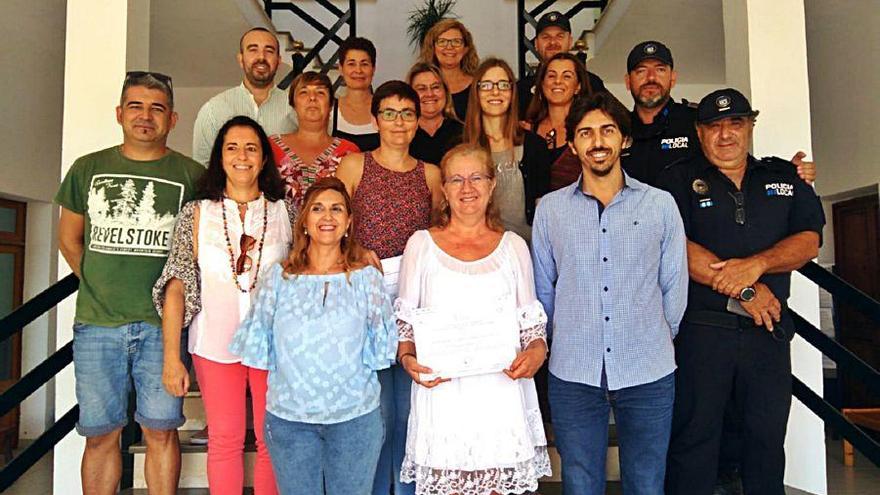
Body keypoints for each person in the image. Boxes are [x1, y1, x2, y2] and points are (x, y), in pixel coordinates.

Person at [658, 89, 825, 495]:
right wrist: (748, 291)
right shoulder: (675, 179)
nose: (725, 135)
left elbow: (809, 240)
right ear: (699, 133)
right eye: (714, 126)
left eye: (735, 123)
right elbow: (674, 246)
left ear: (750, 126)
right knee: (694, 442)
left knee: (766, 441)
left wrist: (759, 265)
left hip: (767, 334)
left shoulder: (784, 177)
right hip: (702, 332)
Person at [531, 92, 688, 495]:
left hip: (648, 368)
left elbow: (674, 287)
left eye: (607, 130)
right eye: (585, 133)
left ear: (625, 140)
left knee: (647, 482)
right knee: (581, 482)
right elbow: (543, 289)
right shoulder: (550, 210)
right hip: (573, 370)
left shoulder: (660, 205)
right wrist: (559, 338)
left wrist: (651, 334)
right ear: (572, 145)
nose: (597, 141)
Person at [55, 71, 204, 494]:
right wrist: (101, 283)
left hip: (164, 329)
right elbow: (69, 240)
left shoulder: (191, 175)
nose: (145, 116)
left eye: (157, 108)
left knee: (161, 431)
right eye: (136, 106)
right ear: (120, 113)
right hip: (97, 325)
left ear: (173, 119)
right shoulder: (88, 168)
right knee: (101, 434)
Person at [396, 143, 552, 494]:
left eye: (476, 177)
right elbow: (404, 321)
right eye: (456, 180)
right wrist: (407, 358)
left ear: (492, 183)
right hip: (443, 392)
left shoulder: (514, 246)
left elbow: (530, 323)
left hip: (499, 391)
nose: (467, 189)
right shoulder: (420, 245)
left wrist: (537, 351)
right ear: (444, 190)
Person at [230, 177, 398, 495]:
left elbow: (381, 353)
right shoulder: (277, 278)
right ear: (305, 220)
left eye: (337, 209)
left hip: (355, 419)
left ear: (348, 223)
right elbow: (259, 349)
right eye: (318, 208)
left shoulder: (367, 280)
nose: (327, 216)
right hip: (289, 420)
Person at [153, 116, 292, 495]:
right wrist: (171, 357)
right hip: (214, 343)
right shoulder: (197, 213)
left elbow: (310, 272)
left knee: (271, 440)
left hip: (274, 347)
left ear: (264, 158)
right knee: (225, 439)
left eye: (251, 148)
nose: (242, 156)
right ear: (220, 157)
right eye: (232, 147)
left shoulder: (285, 213)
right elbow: (177, 285)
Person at [336, 80, 442, 495]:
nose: (399, 121)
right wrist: (357, 249)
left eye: (407, 113)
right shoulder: (354, 165)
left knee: (410, 409)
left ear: (418, 121)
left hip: (416, 300)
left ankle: (410, 487)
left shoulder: (429, 174)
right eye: (390, 113)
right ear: (375, 118)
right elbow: (329, 223)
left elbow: (438, 236)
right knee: (374, 411)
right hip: (365, 297)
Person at [621, 40, 815, 187]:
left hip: (694, 230)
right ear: (628, 82)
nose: (651, 78)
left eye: (660, 70)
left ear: (673, 78)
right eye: (641, 71)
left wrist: (789, 172)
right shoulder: (615, 129)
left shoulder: (700, 121)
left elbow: (736, 162)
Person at [464, 58, 551, 243]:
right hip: (477, 250)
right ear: (476, 92)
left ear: (512, 93)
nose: (495, 91)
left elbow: (542, 207)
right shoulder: (461, 147)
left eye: (503, 85)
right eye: (487, 85)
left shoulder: (535, 146)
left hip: (525, 250)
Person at [193, 27, 297, 166]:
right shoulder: (213, 109)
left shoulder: (296, 107)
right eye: (253, 49)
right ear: (241, 59)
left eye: (269, 51)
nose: (261, 57)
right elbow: (202, 167)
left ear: (278, 61)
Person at [271, 71, 360, 211]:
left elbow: (352, 207)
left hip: (331, 231)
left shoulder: (349, 152)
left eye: (320, 93)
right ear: (293, 104)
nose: (312, 98)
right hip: (278, 231)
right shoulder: (271, 147)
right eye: (303, 92)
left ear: (331, 105)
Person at [524, 52, 595, 190]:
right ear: (542, 83)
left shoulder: (589, 130)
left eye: (567, 76)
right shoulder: (527, 129)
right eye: (551, 75)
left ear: (578, 86)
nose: (558, 81)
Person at [516, 10, 606, 118]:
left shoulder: (591, 83)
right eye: (546, 37)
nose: (553, 42)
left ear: (570, 41)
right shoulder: (522, 88)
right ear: (536, 44)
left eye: (559, 36)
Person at [419, 19, 479, 121]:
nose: (449, 47)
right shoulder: (420, 86)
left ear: (465, 49)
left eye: (456, 42)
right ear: (433, 48)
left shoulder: (478, 85)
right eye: (442, 42)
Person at [406, 62, 463, 165]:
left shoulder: (464, 133)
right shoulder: (403, 135)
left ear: (445, 92)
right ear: (410, 96)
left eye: (435, 87)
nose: (429, 94)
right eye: (421, 89)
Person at [332, 36, 380, 152]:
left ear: (373, 69)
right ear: (341, 69)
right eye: (351, 64)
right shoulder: (330, 111)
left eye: (364, 64)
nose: (358, 70)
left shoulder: (384, 109)